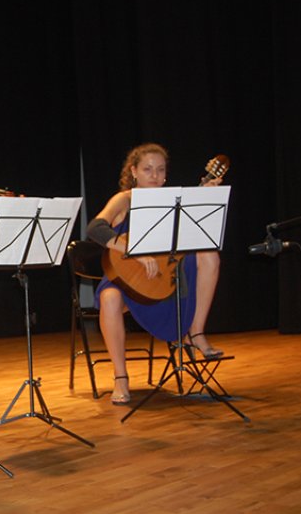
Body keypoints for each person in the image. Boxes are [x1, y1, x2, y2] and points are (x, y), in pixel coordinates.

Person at [86, 143, 224, 405]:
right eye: (147, 169)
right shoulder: (124, 199)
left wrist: (202, 199)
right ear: (134, 171)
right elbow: (95, 227)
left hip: (163, 278)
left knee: (209, 255)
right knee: (109, 299)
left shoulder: (174, 202)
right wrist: (133, 250)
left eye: (160, 170)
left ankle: (195, 332)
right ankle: (120, 378)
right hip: (127, 279)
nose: (154, 175)